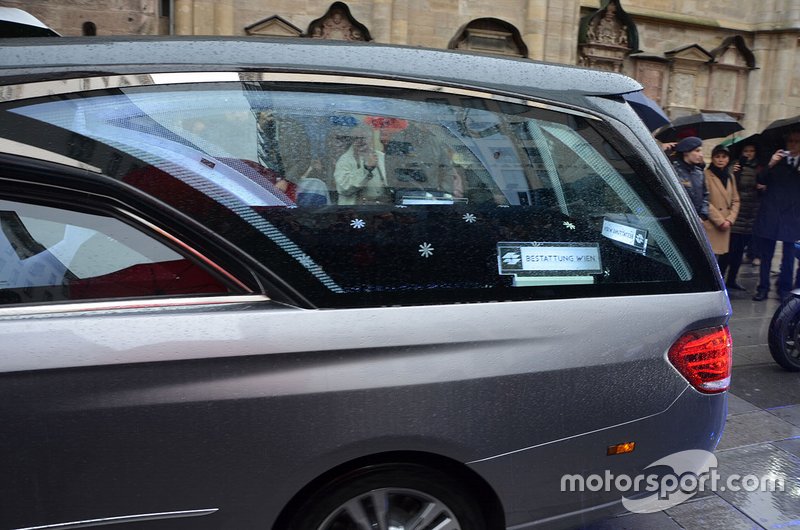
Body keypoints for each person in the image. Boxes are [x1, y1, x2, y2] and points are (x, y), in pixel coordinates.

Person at [751, 130, 800, 301]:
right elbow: (760, 180)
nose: (792, 144)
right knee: (766, 255)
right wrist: (771, 163)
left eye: (797, 141)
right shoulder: (777, 161)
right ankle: (763, 288)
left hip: (792, 216)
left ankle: (784, 288)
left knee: (789, 256)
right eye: (790, 141)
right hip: (771, 213)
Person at [725, 142, 762, 289]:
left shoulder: (759, 168)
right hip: (736, 213)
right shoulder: (735, 166)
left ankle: (732, 279)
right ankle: (721, 278)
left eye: (751, 150)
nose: (749, 153)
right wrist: (733, 172)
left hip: (751, 213)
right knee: (729, 250)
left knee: (740, 251)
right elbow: (729, 185)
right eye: (746, 150)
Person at [704, 145, 740, 279]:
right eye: (717, 156)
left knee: (720, 259)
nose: (720, 160)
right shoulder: (706, 175)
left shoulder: (730, 176)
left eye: (724, 157)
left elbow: (736, 200)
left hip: (726, 224)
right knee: (709, 259)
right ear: (712, 158)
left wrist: (730, 219)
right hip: (712, 224)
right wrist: (720, 221)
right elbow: (705, 201)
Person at [334, 126, 388, 205]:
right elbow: (343, 188)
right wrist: (367, 169)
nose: (360, 141)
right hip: (354, 209)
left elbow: (392, 183)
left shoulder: (382, 157)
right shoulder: (344, 160)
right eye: (356, 138)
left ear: (370, 138)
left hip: (381, 208)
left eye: (363, 138)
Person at [671, 136, 709, 219]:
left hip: (697, 221)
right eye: (697, 151)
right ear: (686, 152)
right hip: (680, 219)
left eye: (701, 151)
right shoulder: (674, 172)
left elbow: (705, 195)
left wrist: (702, 215)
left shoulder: (699, 173)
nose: (701, 155)